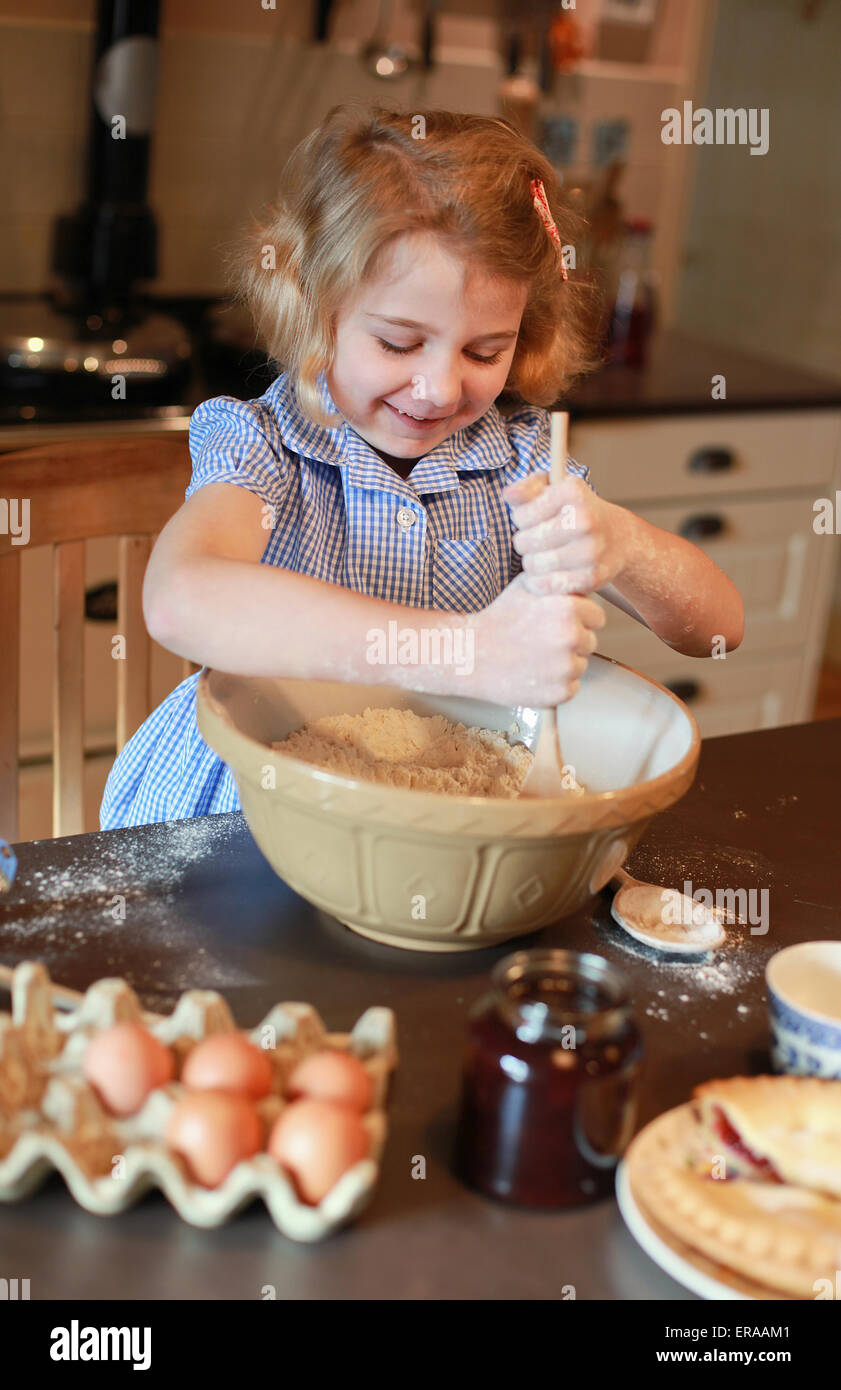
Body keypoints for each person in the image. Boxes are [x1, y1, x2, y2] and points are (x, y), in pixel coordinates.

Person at [100, 105, 743, 829]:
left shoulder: (525, 463)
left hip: (445, 823)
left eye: (483, 351)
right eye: (400, 343)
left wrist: (621, 543)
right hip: (249, 815)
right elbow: (182, 598)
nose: (439, 387)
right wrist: (464, 653)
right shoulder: (264, 443)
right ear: (317, 307)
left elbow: (716, 627)